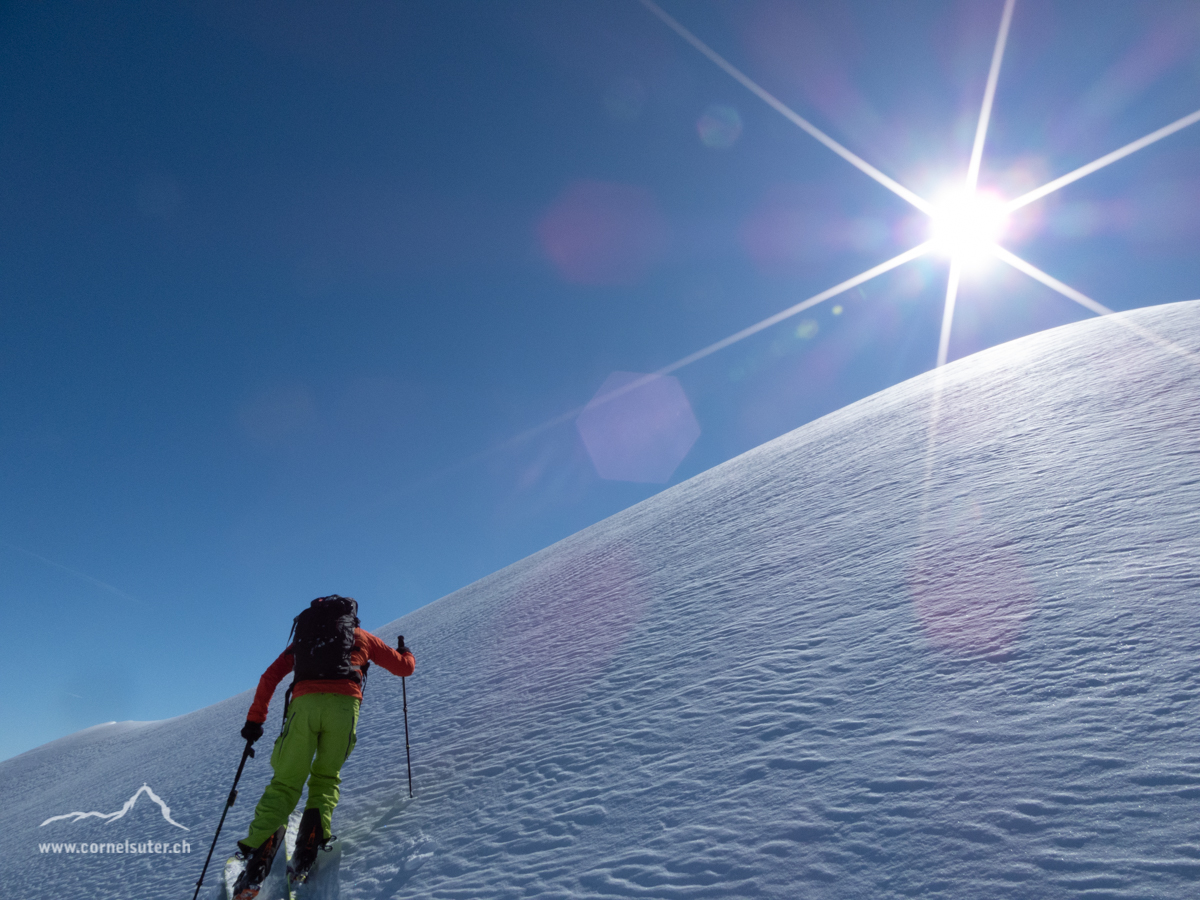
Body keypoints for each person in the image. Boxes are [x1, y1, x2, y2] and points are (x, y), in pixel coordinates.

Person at [231, 594, 415, 899]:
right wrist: (406, 652)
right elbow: (405, 669)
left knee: (286, 782)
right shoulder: (362, 638)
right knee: (326, 777)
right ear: (352, 616)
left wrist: (255, 720)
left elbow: (270, 676)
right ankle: (308, 848)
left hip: (304, 705)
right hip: (344, 708)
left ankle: (257, 864)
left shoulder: (304, 641)